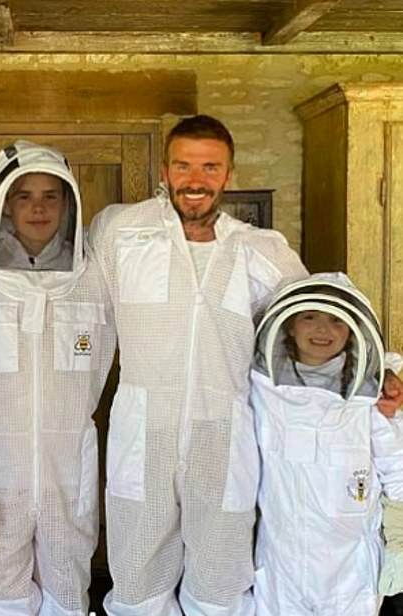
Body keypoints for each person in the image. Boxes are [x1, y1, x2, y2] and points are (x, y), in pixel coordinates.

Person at [88, 115, 403, 616]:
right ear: (165, 169)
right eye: (183, 165)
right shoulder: (121, 232)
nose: (196, 180)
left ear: (229, 174)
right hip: (142, 428)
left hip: (227, 433)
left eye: (210, 167)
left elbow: (316, 319)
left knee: (221, 574)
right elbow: (75, 297)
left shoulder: (262, 250)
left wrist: (378, 371)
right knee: (137, 569)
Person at [0, 141, 116, 615]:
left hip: (68, 466)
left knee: (68, 586)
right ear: (1, 204)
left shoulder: (96, 276)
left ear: (69, 203)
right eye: (23, 196)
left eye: (51, 195)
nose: (39, 207)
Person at [252, 272, 403, 614]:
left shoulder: (369, 396)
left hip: (350, 565)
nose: (323, 330)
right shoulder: (263, 388)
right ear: (288, 325)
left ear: (352, 329)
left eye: (337, 320)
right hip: (281, 559)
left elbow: (397, 466)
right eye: (309, 317)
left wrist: (400, 540)